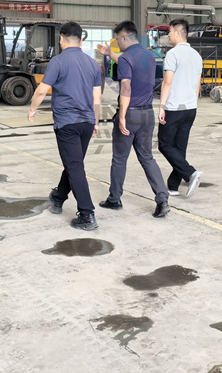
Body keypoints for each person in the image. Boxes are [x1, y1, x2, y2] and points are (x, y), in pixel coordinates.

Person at [28, 21, 103, 230]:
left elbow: (42, 90)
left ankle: (87, 215)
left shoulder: (58, 61)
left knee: (75, 166)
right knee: (74, 163)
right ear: (80, 40)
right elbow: (97, 97)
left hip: (67, 123)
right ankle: (58, 197)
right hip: (87, 122)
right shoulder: (92, 63)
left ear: (61, 39)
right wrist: (96, 121)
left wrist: (32, 109)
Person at [98, 21, 171, 218]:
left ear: (124, 37)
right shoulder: (149, 55)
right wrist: (109, 53)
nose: (117, 44)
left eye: (117, 40)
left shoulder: (126, 58)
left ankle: (114, 199)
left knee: (119, 158)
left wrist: (122, 115)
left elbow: (126, 87)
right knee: (147, 157)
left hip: (130, 114)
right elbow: (128, 62)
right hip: (147, 114)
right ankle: (162, 199)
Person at [158, 19, 204, 198]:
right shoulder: (197, 56)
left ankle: (191, 173)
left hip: (174, 108)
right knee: (180, 147)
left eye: (169, 32)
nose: (168, 35)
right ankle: (173, 186)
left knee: (164, 145)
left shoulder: (173, 54)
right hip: (190, 107)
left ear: (177, 33)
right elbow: (197, 85)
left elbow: (167, 82)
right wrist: (193, 103)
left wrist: (162, 107)